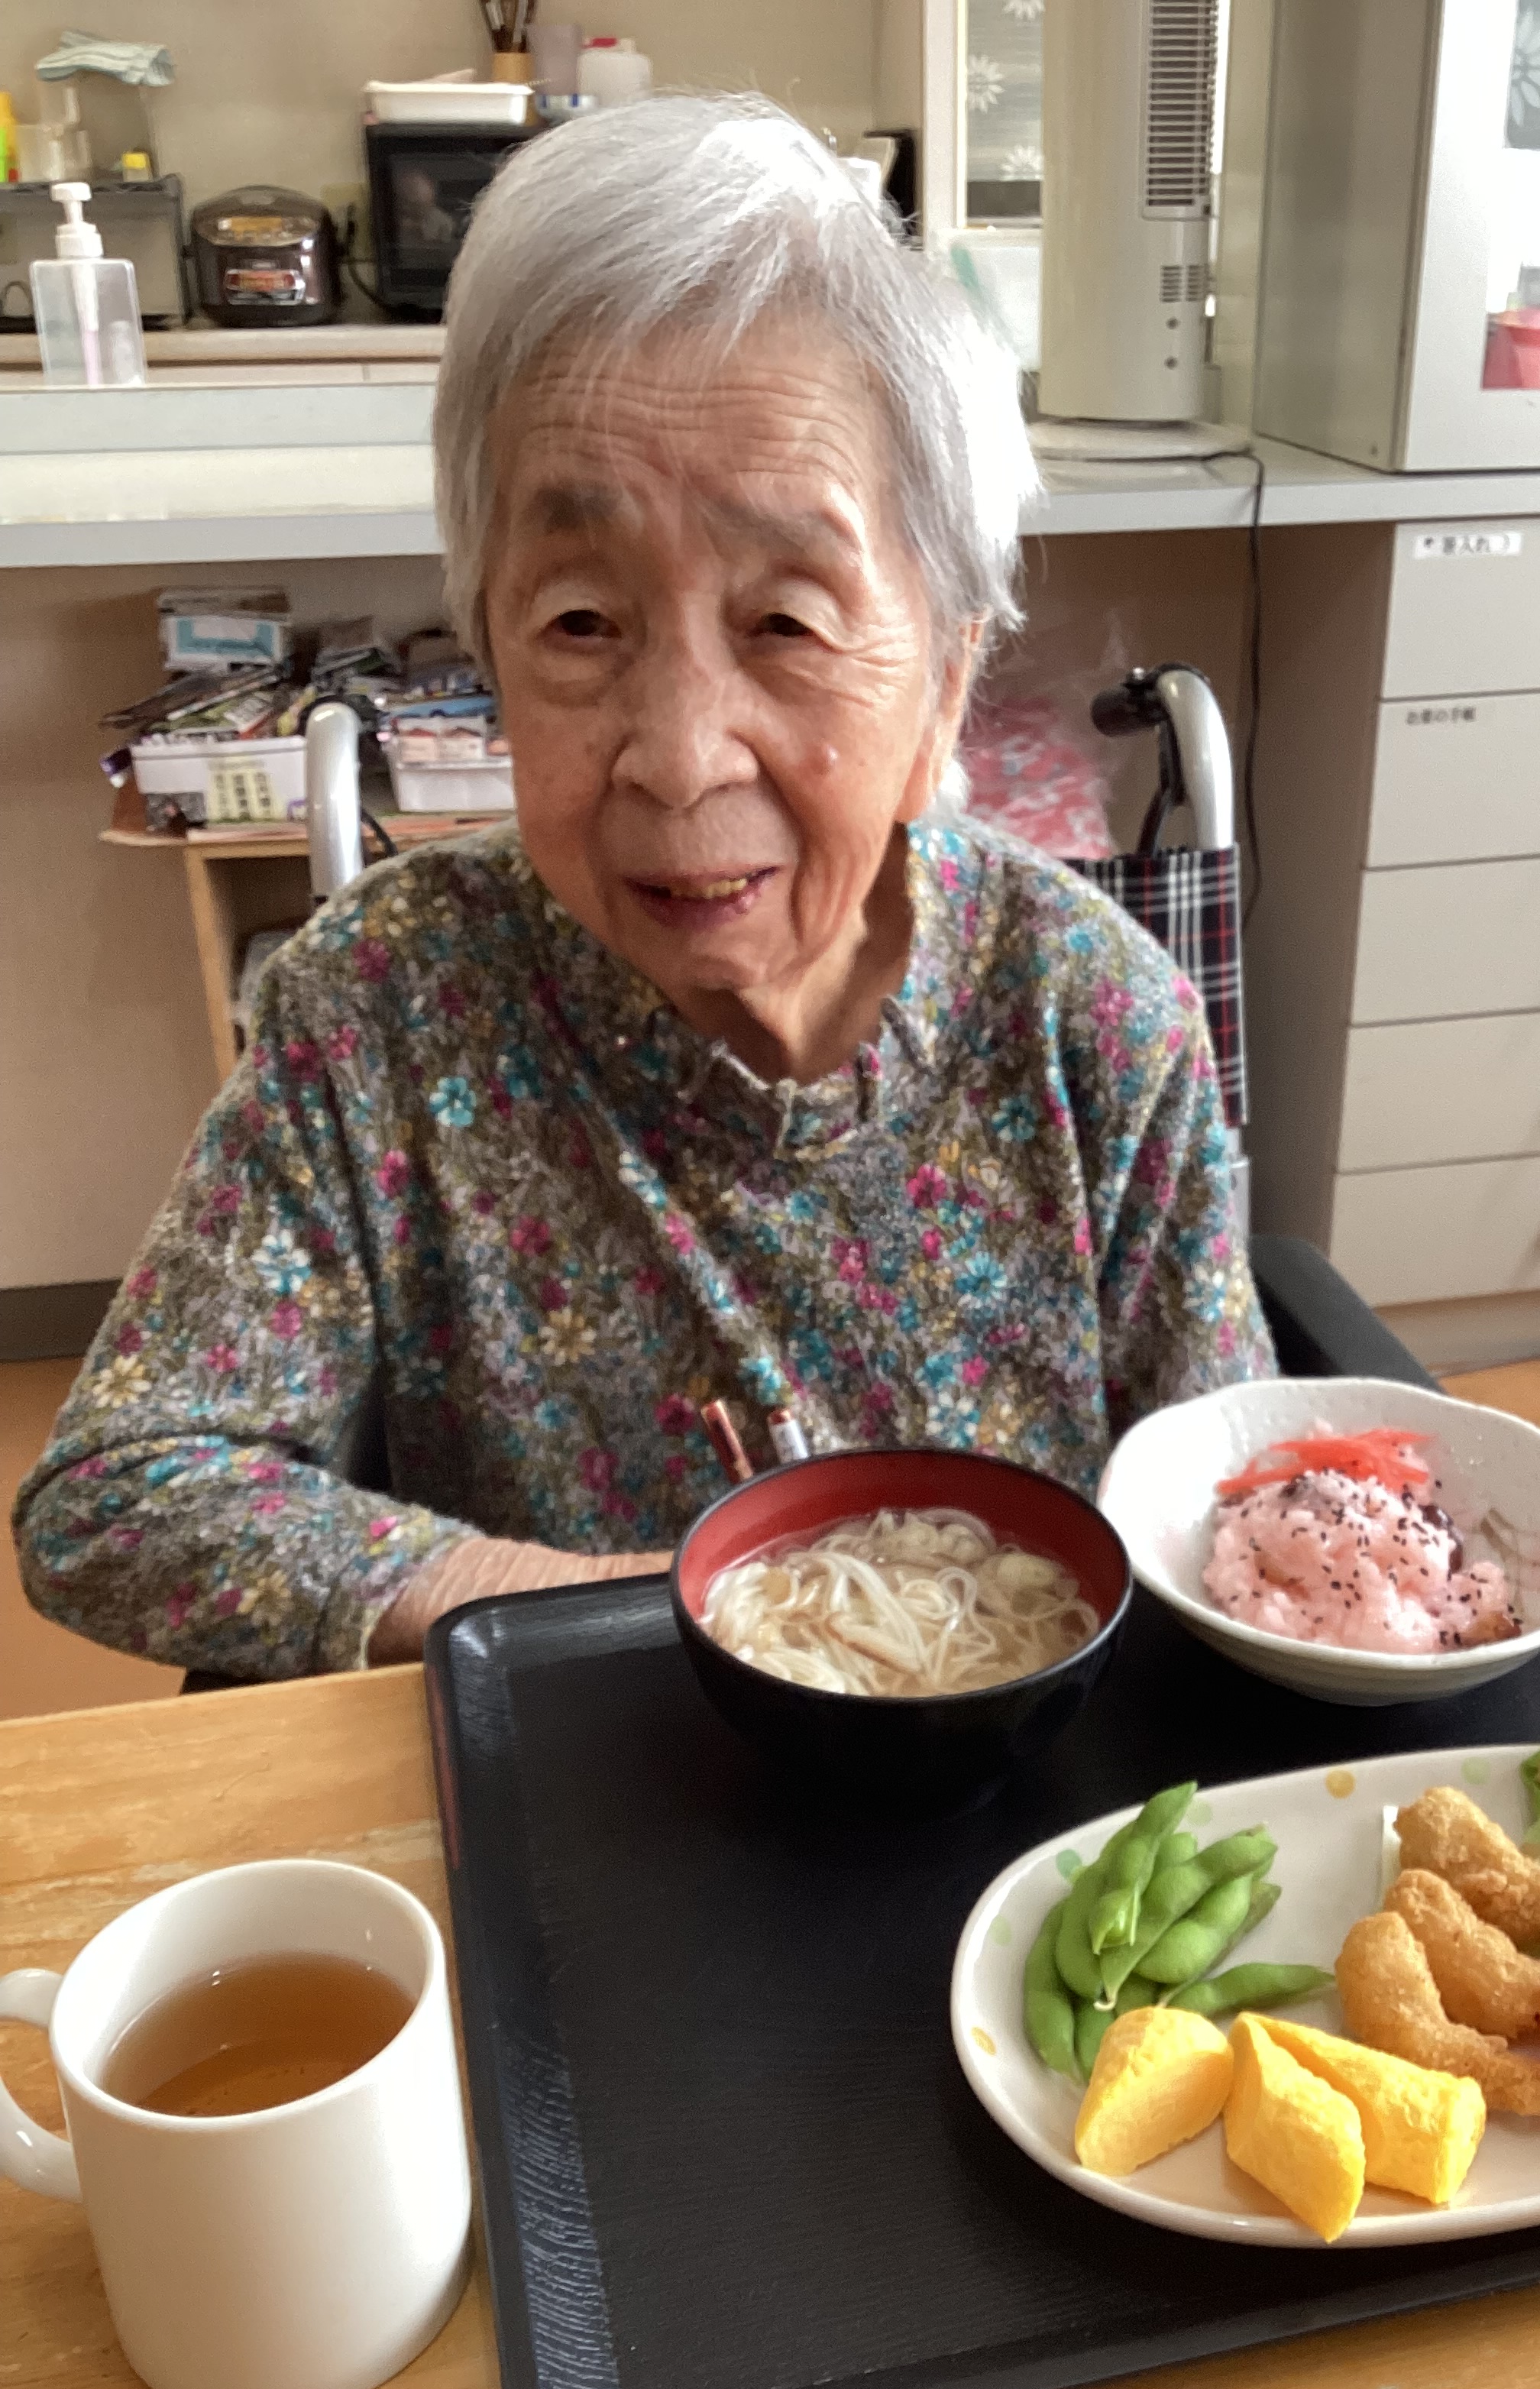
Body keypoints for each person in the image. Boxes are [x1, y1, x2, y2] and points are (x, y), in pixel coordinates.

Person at [13, 94, 1273, 1682]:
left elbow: (1230, 1513)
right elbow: (121, 1499)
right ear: (489, 651)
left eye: (787, 624)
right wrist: (601, 1618)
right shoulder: (384, 1004)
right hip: (562, 1786)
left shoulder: (1093, 1017)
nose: (677, 761)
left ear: (945, 685)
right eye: (582, 624)